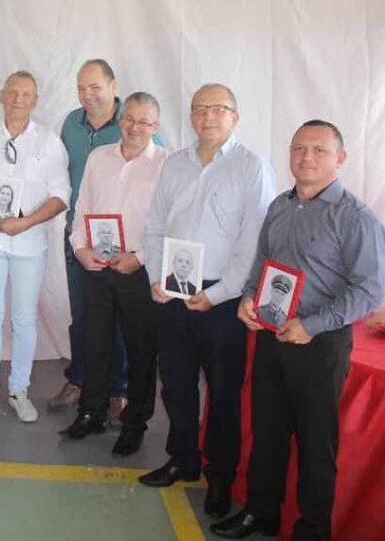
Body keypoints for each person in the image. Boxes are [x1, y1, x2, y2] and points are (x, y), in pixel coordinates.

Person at [212, 120, 385, 540]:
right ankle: (261, 513)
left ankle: (312, 530)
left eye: (319, 150)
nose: (306, 158)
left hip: (320, 345)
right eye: (299, 149)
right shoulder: (280, 206)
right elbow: (262, 262)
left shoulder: (355, 217)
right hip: (272, 337)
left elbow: (371, 289)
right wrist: (249, 299)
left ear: (339, 158)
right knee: (267, 431)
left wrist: (312, 325)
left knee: (315, 444)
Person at [140, 84, 276, 520]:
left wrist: (217, 293)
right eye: (200, 109)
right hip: (173, 291)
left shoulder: (251, 166)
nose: (208, 117)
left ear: (234, 116)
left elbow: (253, 241)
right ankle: (182, 458)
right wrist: (157, 278)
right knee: (176, 385)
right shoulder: (175, 163)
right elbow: (155, 225)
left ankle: (219, 478)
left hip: (222, 298)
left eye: (218, 109)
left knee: (222, 394)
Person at [61, 92, 168, 455]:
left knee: (140, 351)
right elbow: (81, 209)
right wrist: (80, 248)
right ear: (121, 119)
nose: (134, 126)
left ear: (155, 126)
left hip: (138, 271)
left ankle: (134, 423)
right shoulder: (98, 157)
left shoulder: (166, 165)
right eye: (129, 119)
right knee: (95, 343)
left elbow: (169, 223)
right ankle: (91, 411)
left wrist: (138, 257)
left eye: (144, 121)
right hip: (97, 266)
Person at [0, 71, 70, 421]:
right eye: (13, 93)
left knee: (24, 319)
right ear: (1, 96)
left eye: (26, 94)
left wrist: (24, 222)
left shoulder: (49, 142)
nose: (18, 99)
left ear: (35, 100)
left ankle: (20, 390)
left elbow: (60, 196)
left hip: (30, 244)